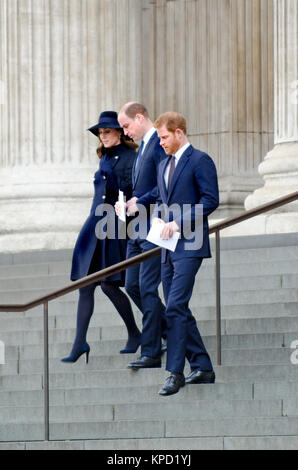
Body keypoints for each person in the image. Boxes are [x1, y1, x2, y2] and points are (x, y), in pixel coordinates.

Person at [61, 111, 141, 363]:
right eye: (101, 132)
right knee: (86, 284)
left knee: (109, 284)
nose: (103, 136)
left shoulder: (131, 158)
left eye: (108, 131)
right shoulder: (104, 157)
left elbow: (131, 192)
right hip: (94, 224)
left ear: (119, 132)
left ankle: (139, 332)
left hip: (114, 225)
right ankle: (79, 343)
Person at [151, 111, 219, 395]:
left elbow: (210, 200)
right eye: (159, 138)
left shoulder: (200, 160)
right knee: (177, 307)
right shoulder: (164, 163)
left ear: (179, 133)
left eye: (164, 137)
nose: (161, 142)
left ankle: (175, 372)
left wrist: (179, 222)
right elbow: (160, 195)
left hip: (190, 244)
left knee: (176, 305)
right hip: (168, 247)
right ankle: (203, 366)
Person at [115, 102, 167, 369]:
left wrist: (142, 201)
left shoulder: (159, 142)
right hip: (137, 228)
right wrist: (127, 202)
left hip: (153, 226)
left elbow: (164, 184)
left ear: (139, 117)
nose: (125, 133)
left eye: (126, 126)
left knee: (146, 287)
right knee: (132, 284)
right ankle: (168, 328)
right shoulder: (144, 147)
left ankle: (151, 350)